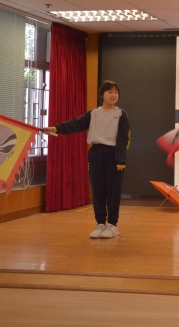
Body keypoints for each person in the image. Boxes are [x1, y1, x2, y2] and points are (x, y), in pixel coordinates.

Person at [44, 80, 130, 239]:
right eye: (110, 92)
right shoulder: (93, 114)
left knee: (113, 190)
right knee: (97, 189)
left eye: (116, 92)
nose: (113, 95)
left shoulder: (120, 114)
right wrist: (56, 128)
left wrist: (121, 159)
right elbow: (75, 124)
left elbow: (124, 137)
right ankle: (100, 223)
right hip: (96, 153)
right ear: (102, 95)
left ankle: (112, 224)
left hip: (114, 154)